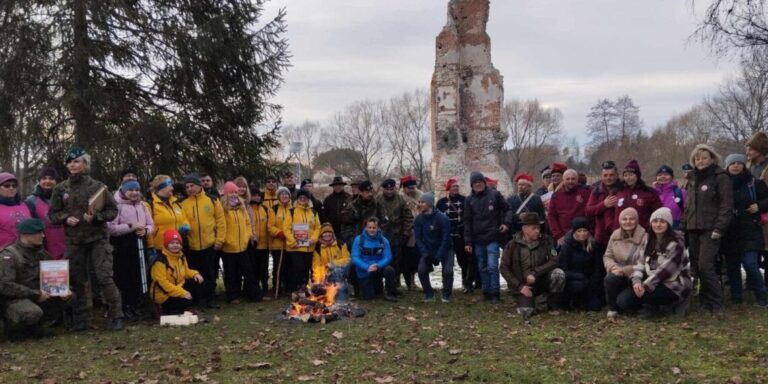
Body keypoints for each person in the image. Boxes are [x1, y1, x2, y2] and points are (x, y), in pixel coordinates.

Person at [48, 148, 125, 331]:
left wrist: (96, 217)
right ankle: (80, 319)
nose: (73, 165)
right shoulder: (61, 188)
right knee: (76, 280)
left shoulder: (98, 186)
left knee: (104, 277)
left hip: (98, 239)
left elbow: (113, 211)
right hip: (74, 241)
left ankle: (117, 317)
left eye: (77, 161)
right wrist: (65, 218)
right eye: (70, 162)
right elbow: (52, 214)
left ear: (85, 164)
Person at [0, 219, 72, 341]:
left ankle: (38, 326)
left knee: (70, 298)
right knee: (32, 313)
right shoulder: (10, 255)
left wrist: (65, 290)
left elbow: (54, 276)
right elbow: (5, 285)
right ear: (26, 235)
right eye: (38, 232)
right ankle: (14, 329)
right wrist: (35, 294)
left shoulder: (42, 254)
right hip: (16, 299)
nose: (43, 235)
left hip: (39, 295)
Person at [682, 144, 732, 314]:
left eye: (704, 157)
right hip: (693, 228)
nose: (700, 161)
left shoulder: (720, 177)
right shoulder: (692, 178)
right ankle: (704, 300)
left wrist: (720, 227)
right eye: (697, 158)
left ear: (712, 158)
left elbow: (726, 205)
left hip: (711, 229)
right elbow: (688, 206)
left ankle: (716, 301)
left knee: (705, 265)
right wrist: (684, 226)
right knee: (695, 265)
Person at [722, 154, 768, 307]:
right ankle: (736, 296)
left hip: (750, 230)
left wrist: (759, 206)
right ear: (727, 167)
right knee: (732, 266)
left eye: (739, 163)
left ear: (744, 165)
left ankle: (761, 295)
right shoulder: (722, 184)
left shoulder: (754, 183)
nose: (735, 166)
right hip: (729, 232)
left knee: (750, 264)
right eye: (732, 163)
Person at [500, 212, 565, 319]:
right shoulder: (512, 245)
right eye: (533, 228)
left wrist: (535, 273)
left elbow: (554, 260)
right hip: (523, 285)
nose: (537, 231)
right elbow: (504, 268)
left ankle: (552, 304)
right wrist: (519, 286)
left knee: (559, 274)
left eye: (538, 228)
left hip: (540, 280)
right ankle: (535, 300)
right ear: (524, 229)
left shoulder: (546, 240)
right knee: (526, 311)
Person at [630, 207, 693, 317]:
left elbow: (665, 272)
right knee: (625, 299)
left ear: (668, 224)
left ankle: (678, 303)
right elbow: (640, 263)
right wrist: (636, 281)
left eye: (662, 222)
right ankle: (654, 306)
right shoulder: (648, 239)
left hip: (674, 284)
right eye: (655, 221)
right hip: (654, 281)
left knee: (640, 295)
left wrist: (644, 286)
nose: (658, 225)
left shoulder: (676, 243)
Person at [108, 180, 155, 321]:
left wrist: (145, 231)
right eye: (131, 190)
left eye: (136, 190)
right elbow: (111, 228)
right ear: (123, 191)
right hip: (122, 246)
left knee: (139, 276)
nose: (134, 193)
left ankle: (137, 305)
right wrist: (131, 226)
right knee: (124, 277)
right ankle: (125, 307)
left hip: (140, 245)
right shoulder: (117, 206)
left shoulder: (142, 206)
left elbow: (150, 224)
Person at [179, 174, 226, 309]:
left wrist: (219, 240)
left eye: (192, 185)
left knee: (210, 274)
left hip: (209, 244)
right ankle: (198, 299)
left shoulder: (212, 200)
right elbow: (182, 219)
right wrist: (184, 226)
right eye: (187, 187)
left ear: (199, 185)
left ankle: (210, 299)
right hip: (192, 246)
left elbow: (220, 221)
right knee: (194, 274)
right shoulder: (183, 203)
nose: (190, 189)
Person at [463, 171, 509, 303]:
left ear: (484, 182)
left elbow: (508, 209)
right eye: (475, 182)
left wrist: (506, 223)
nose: (478, 184)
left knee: (492, 266)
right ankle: (486, 292)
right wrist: (468, 241)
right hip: (477, 239)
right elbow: (467, 221)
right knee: (482, 266)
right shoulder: (469, 200)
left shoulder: (495, 195)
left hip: (493, 237)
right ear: (472, 185)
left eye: (480, 182)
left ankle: (495, 293)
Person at [585, 160, 623, 304]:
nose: (608, 178)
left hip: (621, 235)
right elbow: (588, 211)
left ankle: (618, 298)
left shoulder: (623, 188)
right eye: (605, 175)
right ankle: (601, 298)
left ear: (617, 174)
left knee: (620, 268)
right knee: (600, 269)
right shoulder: (596, 190)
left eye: (611, 175)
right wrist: (604, 205)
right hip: (601, 236)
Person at [437, 178, 480, 293]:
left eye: (457, 186)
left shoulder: (464, 200)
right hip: (447, 235)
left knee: (464, 261)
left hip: (461, 234)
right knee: (446, 261)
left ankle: (465, 283)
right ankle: (446, 284)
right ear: (448, 189)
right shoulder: (441, 202)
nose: (455, 188)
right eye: (453, 186)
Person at [603, 208, 647, 319]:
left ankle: (640, 305)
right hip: (618, 272)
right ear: (620, 221)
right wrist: (612, 267)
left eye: (631, 219)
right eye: (624, 219)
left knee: (624, 302)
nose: (628, 222)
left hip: (636, 275)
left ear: (636, 220)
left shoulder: (645, 237)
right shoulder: (615, 235)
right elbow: (607, 256)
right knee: (609, 278)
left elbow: (643, 262)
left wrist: (624, 270)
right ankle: (613, 308)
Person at [220, 181, 260, 303]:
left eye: (235, 192)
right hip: (228, 248)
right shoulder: (223, 208)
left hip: (242, 246)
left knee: (249, 271)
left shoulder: (241, 206)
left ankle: (254, 295)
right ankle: (232, 296)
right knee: (231, 274)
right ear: (226, 194)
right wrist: (226, 240)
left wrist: (248, 236)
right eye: (231, 192)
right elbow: (221, 226)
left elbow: (247, 223)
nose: (234, 195)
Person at [149, 229, 204, 315]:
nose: (175, 245)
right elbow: (163, 284)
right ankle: (165, 309)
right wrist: (182, 293)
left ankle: (190, 307)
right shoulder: (160, 261)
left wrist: (195, 274)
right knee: (184, 300)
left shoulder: (181, 256)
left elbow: (185, 271)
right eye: (172, 243)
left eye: (177, 243)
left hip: (177, 287)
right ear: (166, 244)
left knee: (196, 281)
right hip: (163, 295)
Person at [376, 178, 414, 291]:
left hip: (397, 235)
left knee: (396, 262)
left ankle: (395, 284)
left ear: (395, 189)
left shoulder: (400, 199)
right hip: (381, 236)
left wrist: (406, 235)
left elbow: (408, 217)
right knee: (379, 260)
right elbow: (373, 217)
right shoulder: (378, 199)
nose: (389, 191)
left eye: (391, 189)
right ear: (383, 189)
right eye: (386, 189)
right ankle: (379, 284)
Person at [414, 192, 453, 303]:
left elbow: (446, 238)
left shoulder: (442, 218)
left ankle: (446, 294)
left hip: (445, 248)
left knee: (448, 271)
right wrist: (425, 254)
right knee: (421, 270)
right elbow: (418, 238)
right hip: (428, 249)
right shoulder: (418, 219)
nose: (420, 204)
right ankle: (429, 294)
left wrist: (440, 255)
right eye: (420, 202)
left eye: (423, 202)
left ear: (430, 204)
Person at [557, 217, 602, 311]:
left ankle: (583, 301)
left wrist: (594, 280)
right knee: (578, 286)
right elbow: (562, 269)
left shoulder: (593, 245)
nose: (582, 233)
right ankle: (569, 301)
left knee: (596, 306)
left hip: (589, 280)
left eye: (585, 230)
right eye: (579, 231)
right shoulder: (566, 246)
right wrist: (579, 276)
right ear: (574, 231)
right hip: (573, 280)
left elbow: (598, 265)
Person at [350, 217, 397, 302]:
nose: (372, 230)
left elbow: (388, 257)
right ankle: (358, 289)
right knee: (368, 297)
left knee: (390, 270)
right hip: (364, 269)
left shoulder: (383, 240)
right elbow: (355, 257)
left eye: (374, 228)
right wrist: (367, 267)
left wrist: (378, 265)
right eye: (369, 227)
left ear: (378, 228)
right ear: (366, 227)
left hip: (377, 267)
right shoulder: (359, 239)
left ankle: (390, 293)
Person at [284, 189, 321, 292]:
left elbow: (318, 227)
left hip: (309, 247)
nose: (302, 199)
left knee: (306, 269)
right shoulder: (291, 212)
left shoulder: (313, 212)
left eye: (305, 198)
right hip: (295, 247)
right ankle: (296, 290)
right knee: (297, 269)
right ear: (297, 199)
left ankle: (304, 289)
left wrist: (313, 239)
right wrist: (293, 241)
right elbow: (286, 228)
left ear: (308, 199)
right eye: (300, 198)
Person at [25, 167, 66, 260]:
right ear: (39, 181)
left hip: (65, 247)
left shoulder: (65, 198)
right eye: (44, 178)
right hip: (42, 249)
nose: (47, 181)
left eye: (51, 178)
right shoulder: (31, 201)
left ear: (56, 181)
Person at [613, 160, 662, 233]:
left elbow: (658, 212)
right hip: (620, 233)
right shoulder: (618, 191)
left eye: (630, 175)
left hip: (642, 233)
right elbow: (610, 211)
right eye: (625, 175)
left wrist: (649, 226)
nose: (628, 178)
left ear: (637, 176)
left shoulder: (648, 192)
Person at [745, 131, 768, 283]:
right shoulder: (749, 167)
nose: (747, 152)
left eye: (751, 149)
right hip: (752, 219)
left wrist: (759, 206)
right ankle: (753, 283)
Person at [547, 169, 590, 246]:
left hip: (584, 237)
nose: (570, 181)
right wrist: (558, 235)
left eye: (573, 179)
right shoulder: (556, 196)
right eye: (568, 179)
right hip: (564, 238)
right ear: (563, 180)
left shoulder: (586, 192)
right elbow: (551, 216)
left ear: (577, 180)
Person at [312, 223, 351, 301]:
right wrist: (324, 273)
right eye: (325, 233)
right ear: (321, 235)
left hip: (340, 271)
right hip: (325, 274)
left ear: (332, 234)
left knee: (337, 272)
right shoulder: (317, 248)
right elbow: (316, 265)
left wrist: (334, 264)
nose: (327, 234)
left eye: (329, 232)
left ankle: (341, 294)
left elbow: (348, 259)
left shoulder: (341, 244)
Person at [267, 187, 292, 295]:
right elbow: (270, 227)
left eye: (286, 194)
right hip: (279, 244)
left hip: (291, 244)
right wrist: (278, 233)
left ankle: (288, 287)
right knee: (278, 268)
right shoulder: (274, 209)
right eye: (282, 194)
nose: (284, 196)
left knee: (289, 268)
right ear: (278, 197)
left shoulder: (294, 209)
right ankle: (277, 288)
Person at [400, 175, 422, 290]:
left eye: (413, 187)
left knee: (415, 259)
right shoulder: (400, 197)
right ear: (404, 188)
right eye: (409, 188)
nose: (411, 190)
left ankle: (413, 281)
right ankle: (403, 282)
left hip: (417, 232)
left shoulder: (420, 196)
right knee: (404, 259)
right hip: (404, 232)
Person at [0, 172, 32, 249]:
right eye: (6, 185)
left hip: (27, 252)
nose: (11, 188)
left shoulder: (25, 205)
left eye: (14, 186)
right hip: (5, 254)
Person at [249, 189, 271, 296]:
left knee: (264, 269)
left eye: (258, 195)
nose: (256, 197)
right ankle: (255, 288)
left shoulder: (265, 209)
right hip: (252, 245)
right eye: (254, 195)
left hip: (264, 245)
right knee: (254, 268)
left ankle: (265, 288)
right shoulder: (248, 209)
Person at [323, 176, 354, 245]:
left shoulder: (349, 198)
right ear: (333, 187)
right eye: (335, 185)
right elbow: (324, 215)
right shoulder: (328, 199)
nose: (337, 187)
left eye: (339, 185)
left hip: (346, 232)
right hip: (332, 231)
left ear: (343, 185)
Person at [654, 165, 687, 230]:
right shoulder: (653, 193)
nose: (663, 176)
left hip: (676, 229)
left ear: (672, 177)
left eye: (666, 174)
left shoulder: (681, 193)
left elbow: (688, 212)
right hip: (656, 229)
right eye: (660, 175)